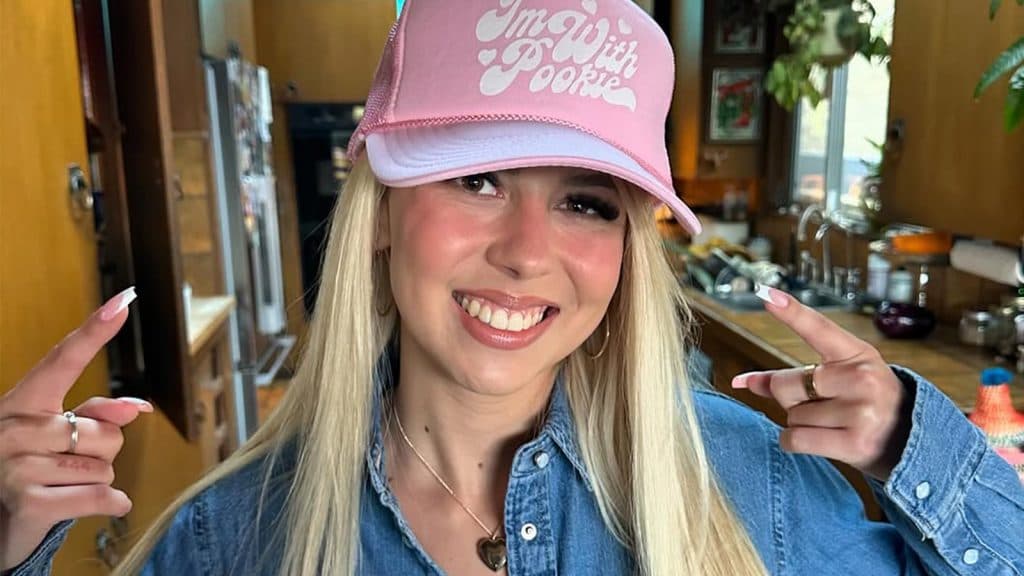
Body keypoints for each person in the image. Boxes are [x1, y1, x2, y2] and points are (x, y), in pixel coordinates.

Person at [3, 1, 1022, 574]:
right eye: (478, 179)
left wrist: (911, 444)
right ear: (382, 211)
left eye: (586, 202)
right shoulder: (232, 540)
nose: (529, 251)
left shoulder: (744, 483)